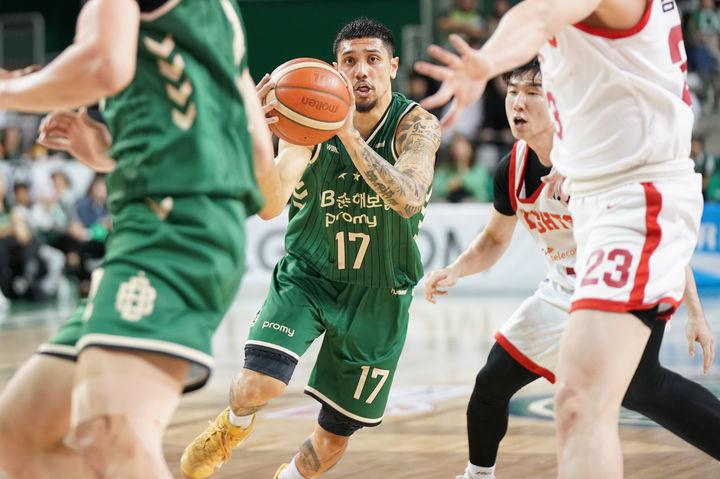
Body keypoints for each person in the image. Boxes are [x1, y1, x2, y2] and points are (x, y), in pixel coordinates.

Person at [415, 1, 705, 477]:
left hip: (634, 195)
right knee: (547, 392)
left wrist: (485, 62)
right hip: (588, 242)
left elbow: (538, 16)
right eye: (512, 91)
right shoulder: (520, 162)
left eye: (531, 91)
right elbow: (494, 238)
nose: (518, 102)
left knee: (593, 399)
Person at [0, 0, 278, 477]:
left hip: (172, 230)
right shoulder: (220, 16)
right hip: (169, 231)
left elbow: (104, 65)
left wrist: (9, 90)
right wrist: (110, 153)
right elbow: (264, 184)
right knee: (19, 435)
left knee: (114, 435)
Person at [180, 17, 441, 479]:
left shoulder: (416, 124)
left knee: (333, 436)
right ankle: (230, 427)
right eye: (349, 61)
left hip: (380, 293)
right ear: (336, 70)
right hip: (309, 274)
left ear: (392, 67)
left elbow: (409, 198)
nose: (361, 70)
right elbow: (270, 205)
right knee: (258, 384)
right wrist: (256, 137)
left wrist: (349, 134)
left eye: (373, 59)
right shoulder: (307, 121)